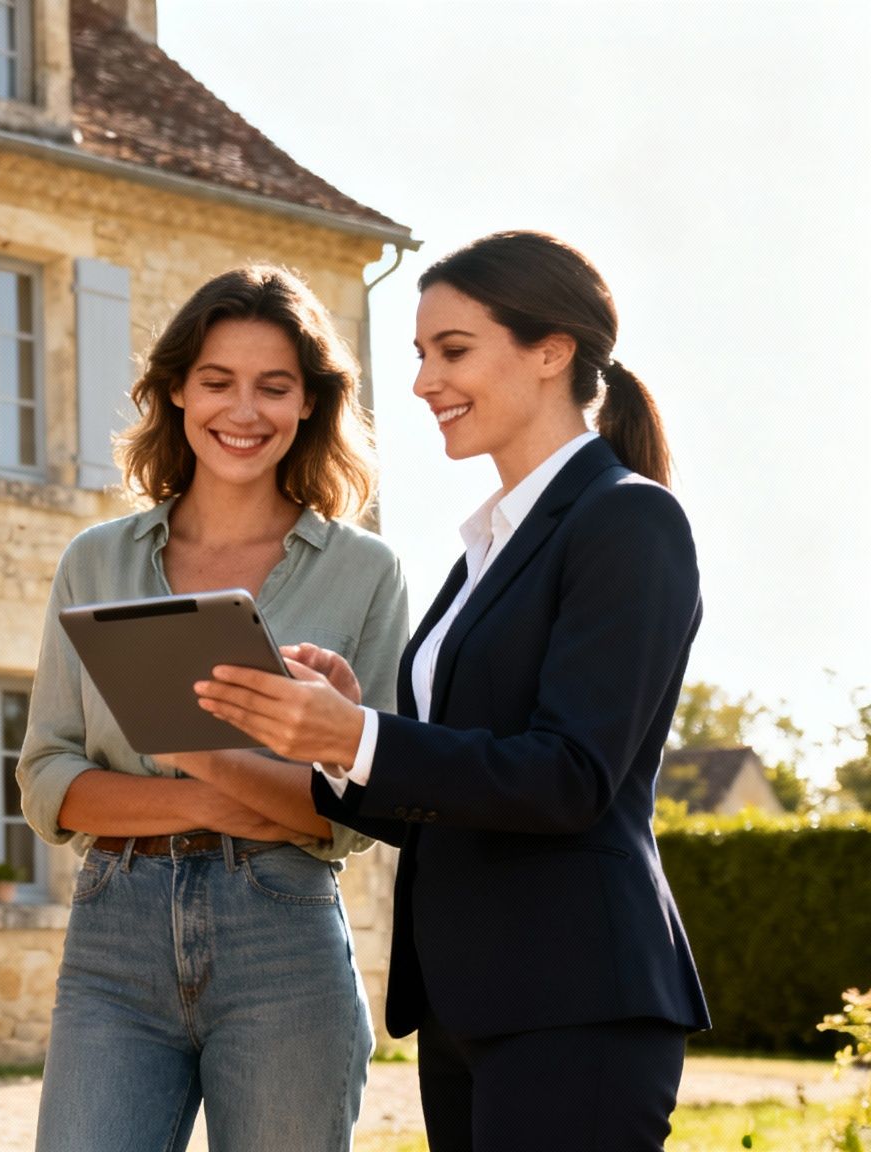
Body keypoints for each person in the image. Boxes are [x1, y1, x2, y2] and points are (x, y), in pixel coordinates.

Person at [195, 230, 710, 1150]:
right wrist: (348, 734)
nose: (426, 381)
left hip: (574, 997)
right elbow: (454, 789)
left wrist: (360, 739)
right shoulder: (487, 548)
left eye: (454, 350)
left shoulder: (628, 519)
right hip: (471, 1003)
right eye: (422, 356)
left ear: (551, 352)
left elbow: (569, 778)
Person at [17, 265, 409, 1151]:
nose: (244, 411)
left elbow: (357, 810)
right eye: (217, 382)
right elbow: (49, 779)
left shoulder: (365, 572)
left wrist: (187, 762)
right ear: (177, 393)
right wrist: (225, 790)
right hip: (114, 934)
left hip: (285, 939)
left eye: (274, 387)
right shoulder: (96, 561)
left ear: (310, 402)